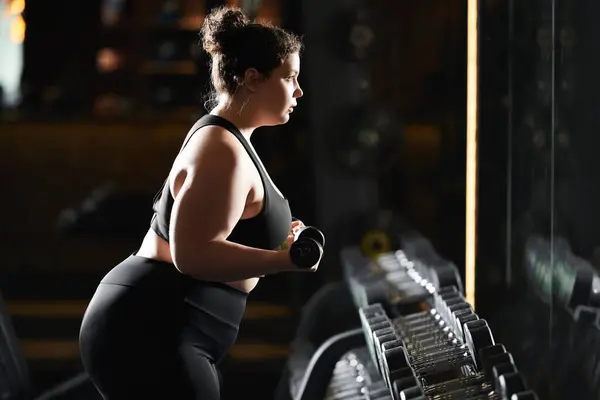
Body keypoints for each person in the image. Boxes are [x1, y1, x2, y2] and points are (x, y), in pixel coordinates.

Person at [79, 6, 319, 400]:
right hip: (149, 327)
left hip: (171, 328)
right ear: (253, 80)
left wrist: (281, 242)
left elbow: (223, 232)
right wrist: (285, 261)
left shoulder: (235, 139)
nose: (298, 91)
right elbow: (192, 255)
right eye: (290, 78)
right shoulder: (221, 148)